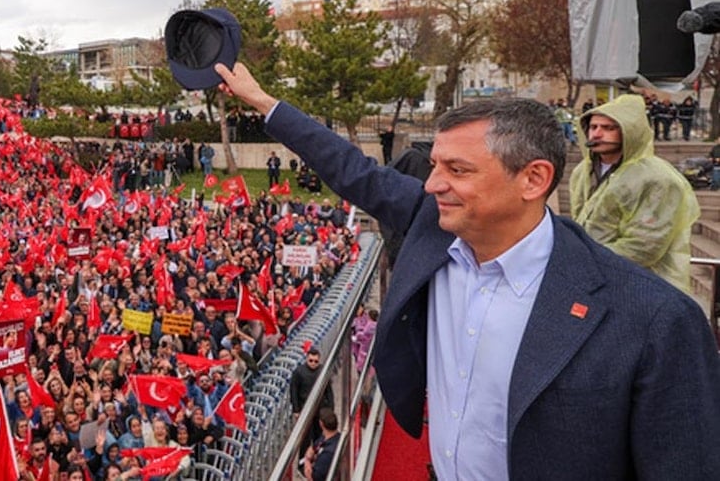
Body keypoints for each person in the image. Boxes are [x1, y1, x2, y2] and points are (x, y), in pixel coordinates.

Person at [214, 60, 720, 480]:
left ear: (533, 179)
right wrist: (262, 102)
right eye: (435, 165)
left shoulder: (656, 321)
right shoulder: (431, 226)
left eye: (457, 170)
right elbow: (350, 168)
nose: (433, 184)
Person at [569, 94, 699, 294]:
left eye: (608, 128)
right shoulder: (582, 171)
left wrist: (586, 257)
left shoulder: (658, 178)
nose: (597, 134)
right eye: (593, 127)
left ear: (631, 132)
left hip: (645, 287)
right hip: (594, 283)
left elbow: (645, 246)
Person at [301, 408, 340, 481]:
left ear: (321, 424)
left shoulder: (328, 453)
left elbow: (312, 477)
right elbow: (312, 448)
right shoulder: (326, 437)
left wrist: (307, 462)